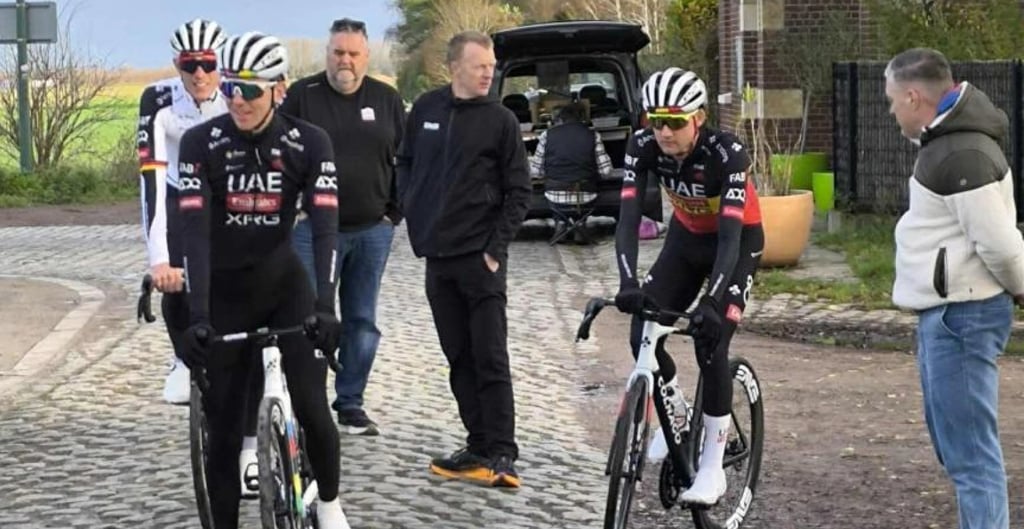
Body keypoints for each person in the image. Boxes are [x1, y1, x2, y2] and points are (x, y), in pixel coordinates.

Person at [175, 31, 349, 529]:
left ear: (280, 89)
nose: (238, 100)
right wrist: (199, 314)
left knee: (313, 408)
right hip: (226, 294)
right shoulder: (200, 144)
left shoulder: (309, 143)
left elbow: (326, 227)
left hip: (284, 288)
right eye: (230, 87)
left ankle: (329, 506)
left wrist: (326, 305)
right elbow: (194, 235)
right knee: (225, 431)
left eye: (251, 90)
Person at [885, 47, 1024, 529]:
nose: (891, 110)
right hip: (950, 313)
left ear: (912, 96)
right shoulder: (948, 143)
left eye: (892, 100)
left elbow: (1001, 244)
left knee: (972, 459)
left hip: (961, 315)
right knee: (961, 451)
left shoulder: (961, 152)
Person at [613, 67, 764, 506]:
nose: (664, 132)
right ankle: (676, 412)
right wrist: (627, 280)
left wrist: (713, 301)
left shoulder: (727, 153)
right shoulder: (642, 145)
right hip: (685, 239)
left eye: (675, 122)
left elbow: (731, 237)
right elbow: (627, 218)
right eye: (656, 120)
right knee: (642, 332)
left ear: (698, 118)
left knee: (710, 343)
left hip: (736, 242)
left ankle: (713, 469)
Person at [396, 30, 530, 488]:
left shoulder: (502, 120)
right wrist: (412, 209)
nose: (489, 73)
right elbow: (405, 162)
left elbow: (520, 191)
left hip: (481, 260)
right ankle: (478, 445)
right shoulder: (426, 110)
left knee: (489, 356)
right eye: (480, 66)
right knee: (458, 356)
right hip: (438, 258)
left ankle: (503, 453)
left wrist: (495, 249)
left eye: (491, 66)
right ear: (455, 67)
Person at [281, 17, 406, 436]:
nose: (345, 61)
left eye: (353, 53)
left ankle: (350, 403)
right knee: (309, 316)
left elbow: (406, 160)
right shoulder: (302, 97)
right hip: (312, 231)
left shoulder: (387, 99)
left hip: (372, 229)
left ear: (366, 56)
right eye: (338, 53)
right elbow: (278, 155)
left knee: (362, 321)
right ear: (327, 54)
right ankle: (307, 404)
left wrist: (395, 213)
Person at [137, 18, 227, 405]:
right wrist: (159, 260)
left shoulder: (237, 93)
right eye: (190, 65)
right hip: (177, 190)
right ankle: (182, 359)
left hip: (225, 193)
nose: (200, 74)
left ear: (220, 62)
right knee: (175, 277)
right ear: (177, 64)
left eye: (208, 63)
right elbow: (151, 182)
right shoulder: (157, 100)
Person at [529, 102, 612, 243]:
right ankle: (580, 224)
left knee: (557, 201)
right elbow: (606, 171)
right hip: (586, 195)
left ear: (560, 119)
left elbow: (535, 171)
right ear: (582, 119)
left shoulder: (547, 135)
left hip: (555, 195)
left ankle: (561, 223)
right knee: (584, 198)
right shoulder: (593, 135)